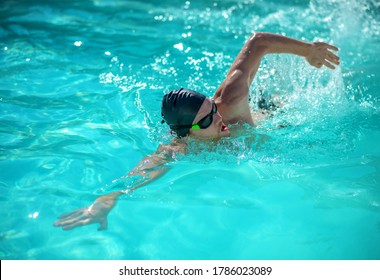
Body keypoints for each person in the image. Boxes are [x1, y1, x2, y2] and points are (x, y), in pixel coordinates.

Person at [54, 32, 340, 230]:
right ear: (185, 133)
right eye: (205, 121)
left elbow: (259, 41)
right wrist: (103, 204)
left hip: (276, 114)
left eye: (212, 110)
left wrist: (308, 51)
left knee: (277, 105)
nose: (217, 119)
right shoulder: (180, 147)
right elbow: (142, 172)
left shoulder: (231, 98)